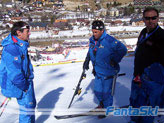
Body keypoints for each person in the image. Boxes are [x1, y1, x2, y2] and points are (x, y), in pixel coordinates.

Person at [83, 20, 127, 118]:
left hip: (108, 71)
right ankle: (101, 104)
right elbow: (90, 51)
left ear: (102, 31)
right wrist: (87, 61)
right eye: (93, 31)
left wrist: (114, 60)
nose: (94, 34)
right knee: (98, 91)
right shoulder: (92, 40)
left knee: (106, 92)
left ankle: (106, 109)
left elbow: (123, 49)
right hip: (98, 70)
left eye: (96, 32)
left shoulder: (110, 40)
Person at [129, 7, 164, 123]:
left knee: (148, 107)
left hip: (153, 80)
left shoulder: (161, 36)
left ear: (158, 18)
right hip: (138, 76)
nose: (151, 21)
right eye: (147, 18)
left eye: (153, 18)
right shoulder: (144, 32)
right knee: (135, 102)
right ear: (143, 19)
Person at [0, 21, 36, 123]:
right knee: (26, 109)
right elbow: (14, 73)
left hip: (25, 81)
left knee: (30, 106)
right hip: (20, 84)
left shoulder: (21, 45)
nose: (29, 33)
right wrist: (24, 86)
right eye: (27, 31)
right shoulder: (12, 48)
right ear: (19, 33)